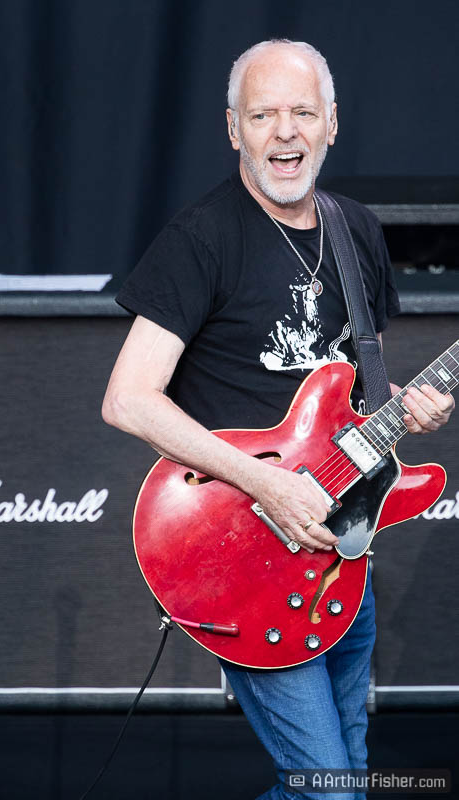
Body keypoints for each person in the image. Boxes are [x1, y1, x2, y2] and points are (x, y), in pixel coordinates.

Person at [102, 39, 455, 800]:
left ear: (333, 122)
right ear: (234, 129)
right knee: (329, 791)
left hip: (341, 554)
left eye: (302, 112)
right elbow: (127, 397)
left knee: (345, 779)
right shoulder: (201, 238)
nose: (285, 133)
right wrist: (270, 486)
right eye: (263, 115)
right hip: (247, 551)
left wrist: (407, 411)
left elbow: (360, 394)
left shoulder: (356, 229)